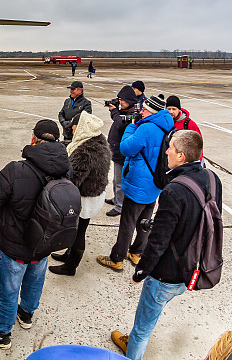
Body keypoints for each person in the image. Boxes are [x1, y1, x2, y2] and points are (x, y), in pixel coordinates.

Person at [111, 130, 222, 360]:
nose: (167, 151)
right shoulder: (213, 179)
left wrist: (141, 271)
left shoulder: (174, 191)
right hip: (194, 267)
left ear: (181, 156)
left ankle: (132, 352)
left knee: (142, 329)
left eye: (170, 147)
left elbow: (158, 241)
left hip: (166, 275)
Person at [0, 120, 72, 350]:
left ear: (33, 139)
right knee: (34, 280)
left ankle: (1, 332)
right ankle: (26, 314)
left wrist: (0, 184)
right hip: (45, 242)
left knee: (6, 290)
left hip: (15, 244)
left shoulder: (16, 170)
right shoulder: (66, 170)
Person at [97, 95, 174, 272]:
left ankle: (117, 258)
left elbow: (126, 148)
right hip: (155, 182)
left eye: (145, 109)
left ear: (152, 111)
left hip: (139, 183)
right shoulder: (168, 126)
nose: (142, 112)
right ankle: (137, 252)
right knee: (145, 221)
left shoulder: (145, 128)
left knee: (128, 223)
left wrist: (132, 126)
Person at [48, 112, 111, 276]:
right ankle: (68, 254)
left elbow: (74, 178)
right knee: (77, 229)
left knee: (78, 232)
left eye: (75, 126)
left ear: (83, 127)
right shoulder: (97, 141)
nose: (72, 130)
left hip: (86, 197)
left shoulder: (87, 151)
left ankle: (70, 266)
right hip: (93, 194)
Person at [106, 85, 140, 217]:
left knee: (120, 181)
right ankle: (116, 199)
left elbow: (120, 124)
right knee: (116, 179)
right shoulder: (125, 111)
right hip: (117, 150)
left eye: (122, 100)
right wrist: (115, 110)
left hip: (122, 153)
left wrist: (114, 111)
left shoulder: (133, 114)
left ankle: (120, 206)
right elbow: (117, 120)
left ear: (129, 100)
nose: (120, 102)